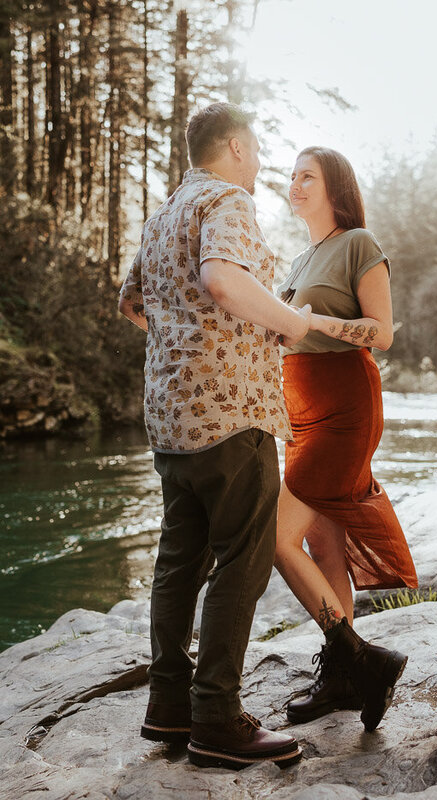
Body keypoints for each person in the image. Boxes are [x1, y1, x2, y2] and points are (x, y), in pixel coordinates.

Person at [117, 102, 311, 771]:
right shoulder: (227, 200)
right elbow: (222, 279)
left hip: (170, 419)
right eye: (256, 152)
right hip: (233, 416)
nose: (259, 167)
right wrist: (288, 323)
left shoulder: (164, 210)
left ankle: (168, 708)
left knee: (178, 565)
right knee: (242, 562)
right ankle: (217, 720)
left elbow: (133, 303)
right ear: (232, 147)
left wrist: (186, 343)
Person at [272, 146, 419, 732]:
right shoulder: (296, 260)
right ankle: (342, 676)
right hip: (299, 415)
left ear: (335, 187)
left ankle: (362, 660)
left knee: (275, 539)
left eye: (307, 176)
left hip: (345, 408)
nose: (294, 184)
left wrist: (318, 322)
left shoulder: (359, 243)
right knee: (323, 547)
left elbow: (381, 333)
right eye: (291, 176)